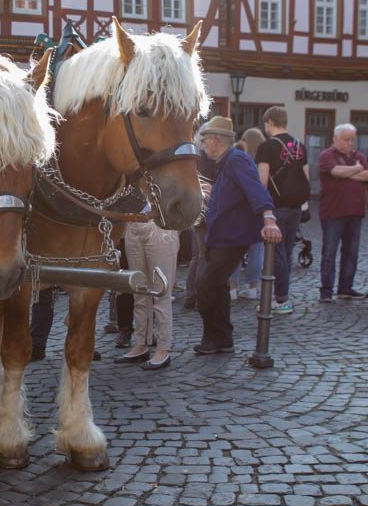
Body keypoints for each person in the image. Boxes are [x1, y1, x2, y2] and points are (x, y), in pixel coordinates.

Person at [194, 117, 282, 355]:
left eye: (204, 140)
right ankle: (222, 339)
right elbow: (235, 193)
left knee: (206, 285)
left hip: (231, 238)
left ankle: (215, 337)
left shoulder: (236, 159)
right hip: (220, 236)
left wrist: (269, 217)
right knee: (218, 286)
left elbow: (255, 190)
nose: (202, 146)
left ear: (214, 140)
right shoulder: (225, 162)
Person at [255, 107, 310, 314]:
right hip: (296, 206)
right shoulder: (299, 145)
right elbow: (306, 175)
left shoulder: (266, 147)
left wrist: (262, 209)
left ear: (269, 122)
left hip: (275, 208)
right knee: (285, 254)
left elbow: (262, 181)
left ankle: (280, 300)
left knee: (275, 255)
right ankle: (282, 297)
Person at [113, 220, 179, 370]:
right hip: (132, 226)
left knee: (161, 291)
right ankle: (141, 344)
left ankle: (163, 348)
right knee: (139, 291)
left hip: (160, 226)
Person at [318, 123, 368, 301]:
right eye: (346, 140)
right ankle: (326, 291)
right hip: (333, 212)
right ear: (335, 139)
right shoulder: (326, 155)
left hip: (355, 211)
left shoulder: (358, 156)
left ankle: (345, 288)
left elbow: (367, 175)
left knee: (351, 252)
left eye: (352, 140)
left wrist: (348, 173)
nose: (350, 143)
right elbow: (336, 171)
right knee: (329, 252)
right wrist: (355, 170)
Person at [231, 128, 267, 300]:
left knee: (236, 249)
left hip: (240, 208)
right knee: (257, 249)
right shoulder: (263, 160)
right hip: (259, 209)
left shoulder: (238, 159)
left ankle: (232, 288)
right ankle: (252, 287)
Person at [184, 149, 216, 309]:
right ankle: (196, 294)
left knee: (197, 256)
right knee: (202, 256)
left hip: (198, 212)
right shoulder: (208, 158)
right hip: (205, 213)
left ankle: (192, 293)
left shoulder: (195, 156)